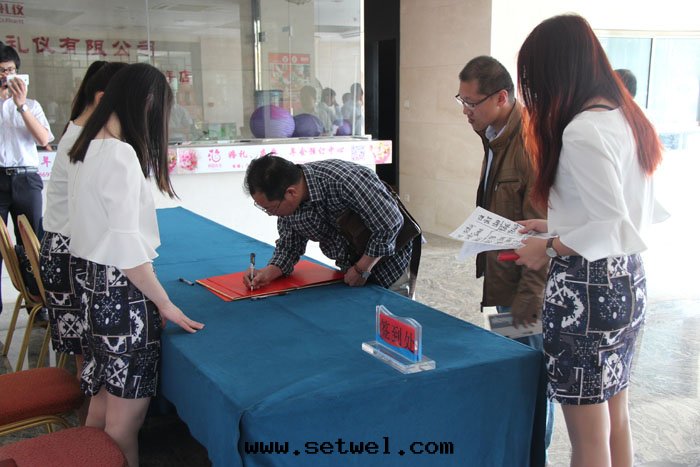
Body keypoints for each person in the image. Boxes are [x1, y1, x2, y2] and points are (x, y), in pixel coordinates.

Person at [515, 14, 666, 467]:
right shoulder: (627, 116)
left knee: (587, 437)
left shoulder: (582, 128)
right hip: (627, 280)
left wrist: (548, 248)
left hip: (586, 290)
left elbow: (608, 222)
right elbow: (624, 214)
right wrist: (555, 224)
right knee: (616, 418)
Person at [67, 62, 205, 467]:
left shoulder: (85, 146)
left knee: (101, 408)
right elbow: (129, 254)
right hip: (122, 299)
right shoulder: (121, 155)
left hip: (92, 290)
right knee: (125, 425)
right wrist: (166, 304)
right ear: (147, 103)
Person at [456, 55, 553, 454]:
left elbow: (543, 230)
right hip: (505, 275)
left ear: (501, 97)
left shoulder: (528, 143)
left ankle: (533, 453)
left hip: (524, 285)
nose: (465, 110)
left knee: (532, 378)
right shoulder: (494, 134)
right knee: (516, 372)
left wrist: (530, 296)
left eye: (471, 102)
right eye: (461, 101)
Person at [40, 61, 127, 388]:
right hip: (69, 253)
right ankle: (88, 418)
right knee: (88, 361)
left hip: (63, 248)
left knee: (86, 358)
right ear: (103, 98)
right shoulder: (87, 140)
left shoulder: (77, 130)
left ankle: (90, 414)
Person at [242, 154, 413, 296]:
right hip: (350, 270)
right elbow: (289, 246)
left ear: (291, 193)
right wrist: (268, 272)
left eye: (271, 208)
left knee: (393, 319)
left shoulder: (343, 180)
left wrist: (362, 269)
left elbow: (390, 223)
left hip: (390, 265)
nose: (271, 214)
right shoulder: (288, 207)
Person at [0, 44, 54, 316]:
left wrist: (21, 106)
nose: (5, 77)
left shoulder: (31, 105)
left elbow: (43, 139)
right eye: (0, 72)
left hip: (26, 178)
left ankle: (39, 304)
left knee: (32, 243)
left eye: (9, 71)